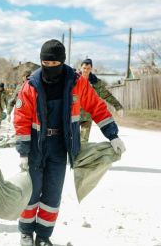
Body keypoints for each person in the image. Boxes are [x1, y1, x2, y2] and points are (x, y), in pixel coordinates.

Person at [14, 40, 126, 246]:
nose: (49, 68)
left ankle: (44, 236)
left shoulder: (77, 82)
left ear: (62, 62)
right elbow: (21, 118)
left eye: (53, 64)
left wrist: (113, 135)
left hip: (59, 146)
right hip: (36, 147)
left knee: (52, 193)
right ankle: (26, 233)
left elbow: (97, 107)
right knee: (31, 191)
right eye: (45, 64)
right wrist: (22, 152)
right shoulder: (31, 85)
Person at [79, 59, 123, 142]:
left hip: (87, 118)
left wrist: (118, 106)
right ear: (81, 68)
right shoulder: (74, 80)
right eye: (84, 68)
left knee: (83, 143)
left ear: (91, 69)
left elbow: (106, 95)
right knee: (69, 141)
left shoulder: (96, 83)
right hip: (73, 115)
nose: (85, 70)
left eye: (88, 68)